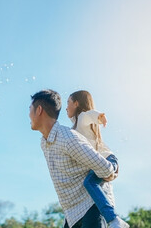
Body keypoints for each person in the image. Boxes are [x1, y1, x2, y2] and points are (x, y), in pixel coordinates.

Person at [29, 89, 118, 228]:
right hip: (72, 212)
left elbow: (105, 168)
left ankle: (115, 220)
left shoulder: (68, 137)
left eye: (30, 109)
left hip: (91, 205)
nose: (29, 114)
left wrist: (112, 168)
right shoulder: (44, 142)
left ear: (39, 110)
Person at [67, 90, 129, 228]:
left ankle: (113, 219)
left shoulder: (83, 118)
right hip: (103, 162)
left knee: (89, 182)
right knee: (89, 182)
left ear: (76, 103)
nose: (66, 107)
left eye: (68, 103)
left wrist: (100, 117)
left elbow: (89, 114)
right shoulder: (76, 126)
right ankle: (113, 219)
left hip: (108, 159)